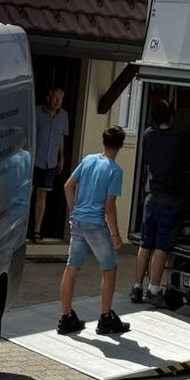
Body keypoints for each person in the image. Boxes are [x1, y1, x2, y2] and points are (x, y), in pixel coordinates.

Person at [131, 98, 190, 305]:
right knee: (161, 246)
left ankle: (136, 287)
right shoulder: (182, 137)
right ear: (172, 117)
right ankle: (154, 289)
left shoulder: (148, 134)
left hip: (151, 197)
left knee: (145, 242)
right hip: (171, 200)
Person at [59, 125, 128, 336]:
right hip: (95, 224)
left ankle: (66, 317)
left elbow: (67, 186)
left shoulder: (89, 159)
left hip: (78, 221)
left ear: (103, 141)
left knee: (72, 268)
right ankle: (106, 318)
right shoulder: (115, 171)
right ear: (121, 145)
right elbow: (109, 206)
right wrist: (116, 235)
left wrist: (74, 211)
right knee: (109, 268)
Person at [31, 86, 70, 241]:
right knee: (26, 195)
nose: (57, 102)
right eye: (55, 98)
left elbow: (62, 137)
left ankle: (37, 230)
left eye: (60, 99)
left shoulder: (63, 116)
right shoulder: (36, 112)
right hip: (34, 159)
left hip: (50, 161)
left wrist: (62, 157)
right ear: (49, 98)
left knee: (42, 194)